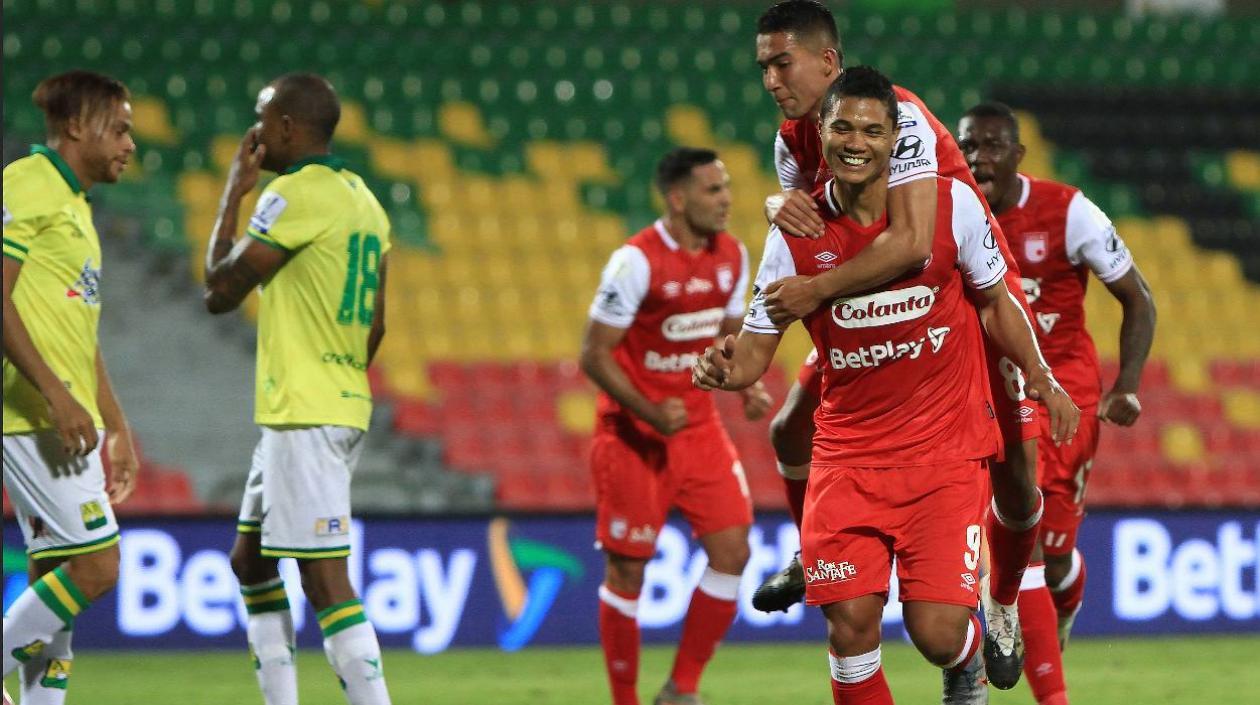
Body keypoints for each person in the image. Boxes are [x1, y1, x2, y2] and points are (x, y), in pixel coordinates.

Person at [695, 67, 1077, 705]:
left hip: (944, 458)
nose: (856, 142)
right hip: (847, 460)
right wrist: (722, 368)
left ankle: (967, 656)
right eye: (842, 128)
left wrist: (1041, 376)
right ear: (822, 134)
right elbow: (752, 353)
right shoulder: (794, 235)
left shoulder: (951, 208)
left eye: (872, 131)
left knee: (937, 634)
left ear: (896, 139)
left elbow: (996, 302)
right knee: (849, 630)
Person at [203, 73, 393, 705]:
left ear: (286, 126)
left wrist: (234, 192)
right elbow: (377, 325)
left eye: (262, 118)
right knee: (251, 561)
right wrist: (334, 375)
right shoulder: (365, 201)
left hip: (305, 413)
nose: (255, 132)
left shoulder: (292, 194)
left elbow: (219, 291)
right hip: (333, 402)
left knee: (326, 581)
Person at [958, 101, 1156, 705]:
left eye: (992, 145)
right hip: (989, 395)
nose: (978, 157)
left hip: (1064, 395)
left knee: (1055, 551)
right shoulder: (948, 210)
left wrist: (1127, 384)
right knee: (1021, 538)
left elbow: (1139, 298)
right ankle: (1044, 689)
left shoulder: (1069, 212)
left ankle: (1056, 607)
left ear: (1018, 154)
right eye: (968, 145)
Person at [581, 147, 773, 705]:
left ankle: (680, 689)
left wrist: (746, 383)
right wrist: (648, 410)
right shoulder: (635, 262)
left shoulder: (733, 255)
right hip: (633, 435)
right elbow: (594, 355)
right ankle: (625, 700)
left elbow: (729, 340)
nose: (726, 199)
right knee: (628, 571)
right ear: (678, 198)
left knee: (733, 551)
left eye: (726, 187)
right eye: (713, 190)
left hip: (698, 427)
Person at [2, 69, 139, 705]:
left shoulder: (76, 207)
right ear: (78, 127)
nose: (129, 144)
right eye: (120, 129)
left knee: (55, 580)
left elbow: (80, 335)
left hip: (59, 416)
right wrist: (57, 395)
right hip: (32, 414)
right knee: (96, 566)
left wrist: (118, 425)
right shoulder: (27, 183)